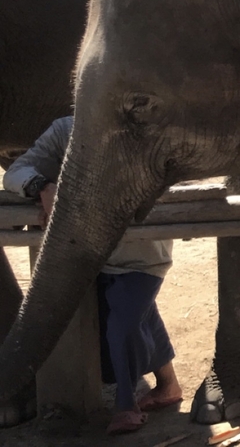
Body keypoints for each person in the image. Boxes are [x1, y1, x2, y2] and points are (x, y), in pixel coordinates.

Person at [3, 116, 181, 436]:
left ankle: (126, 406)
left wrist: (69, 201)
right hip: (91, 256)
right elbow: (16, 172)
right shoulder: (64, 131)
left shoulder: (146, 130)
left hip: (140, 256)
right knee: (139, 314)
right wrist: (42, 186)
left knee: (119, 327)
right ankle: (169, 386)